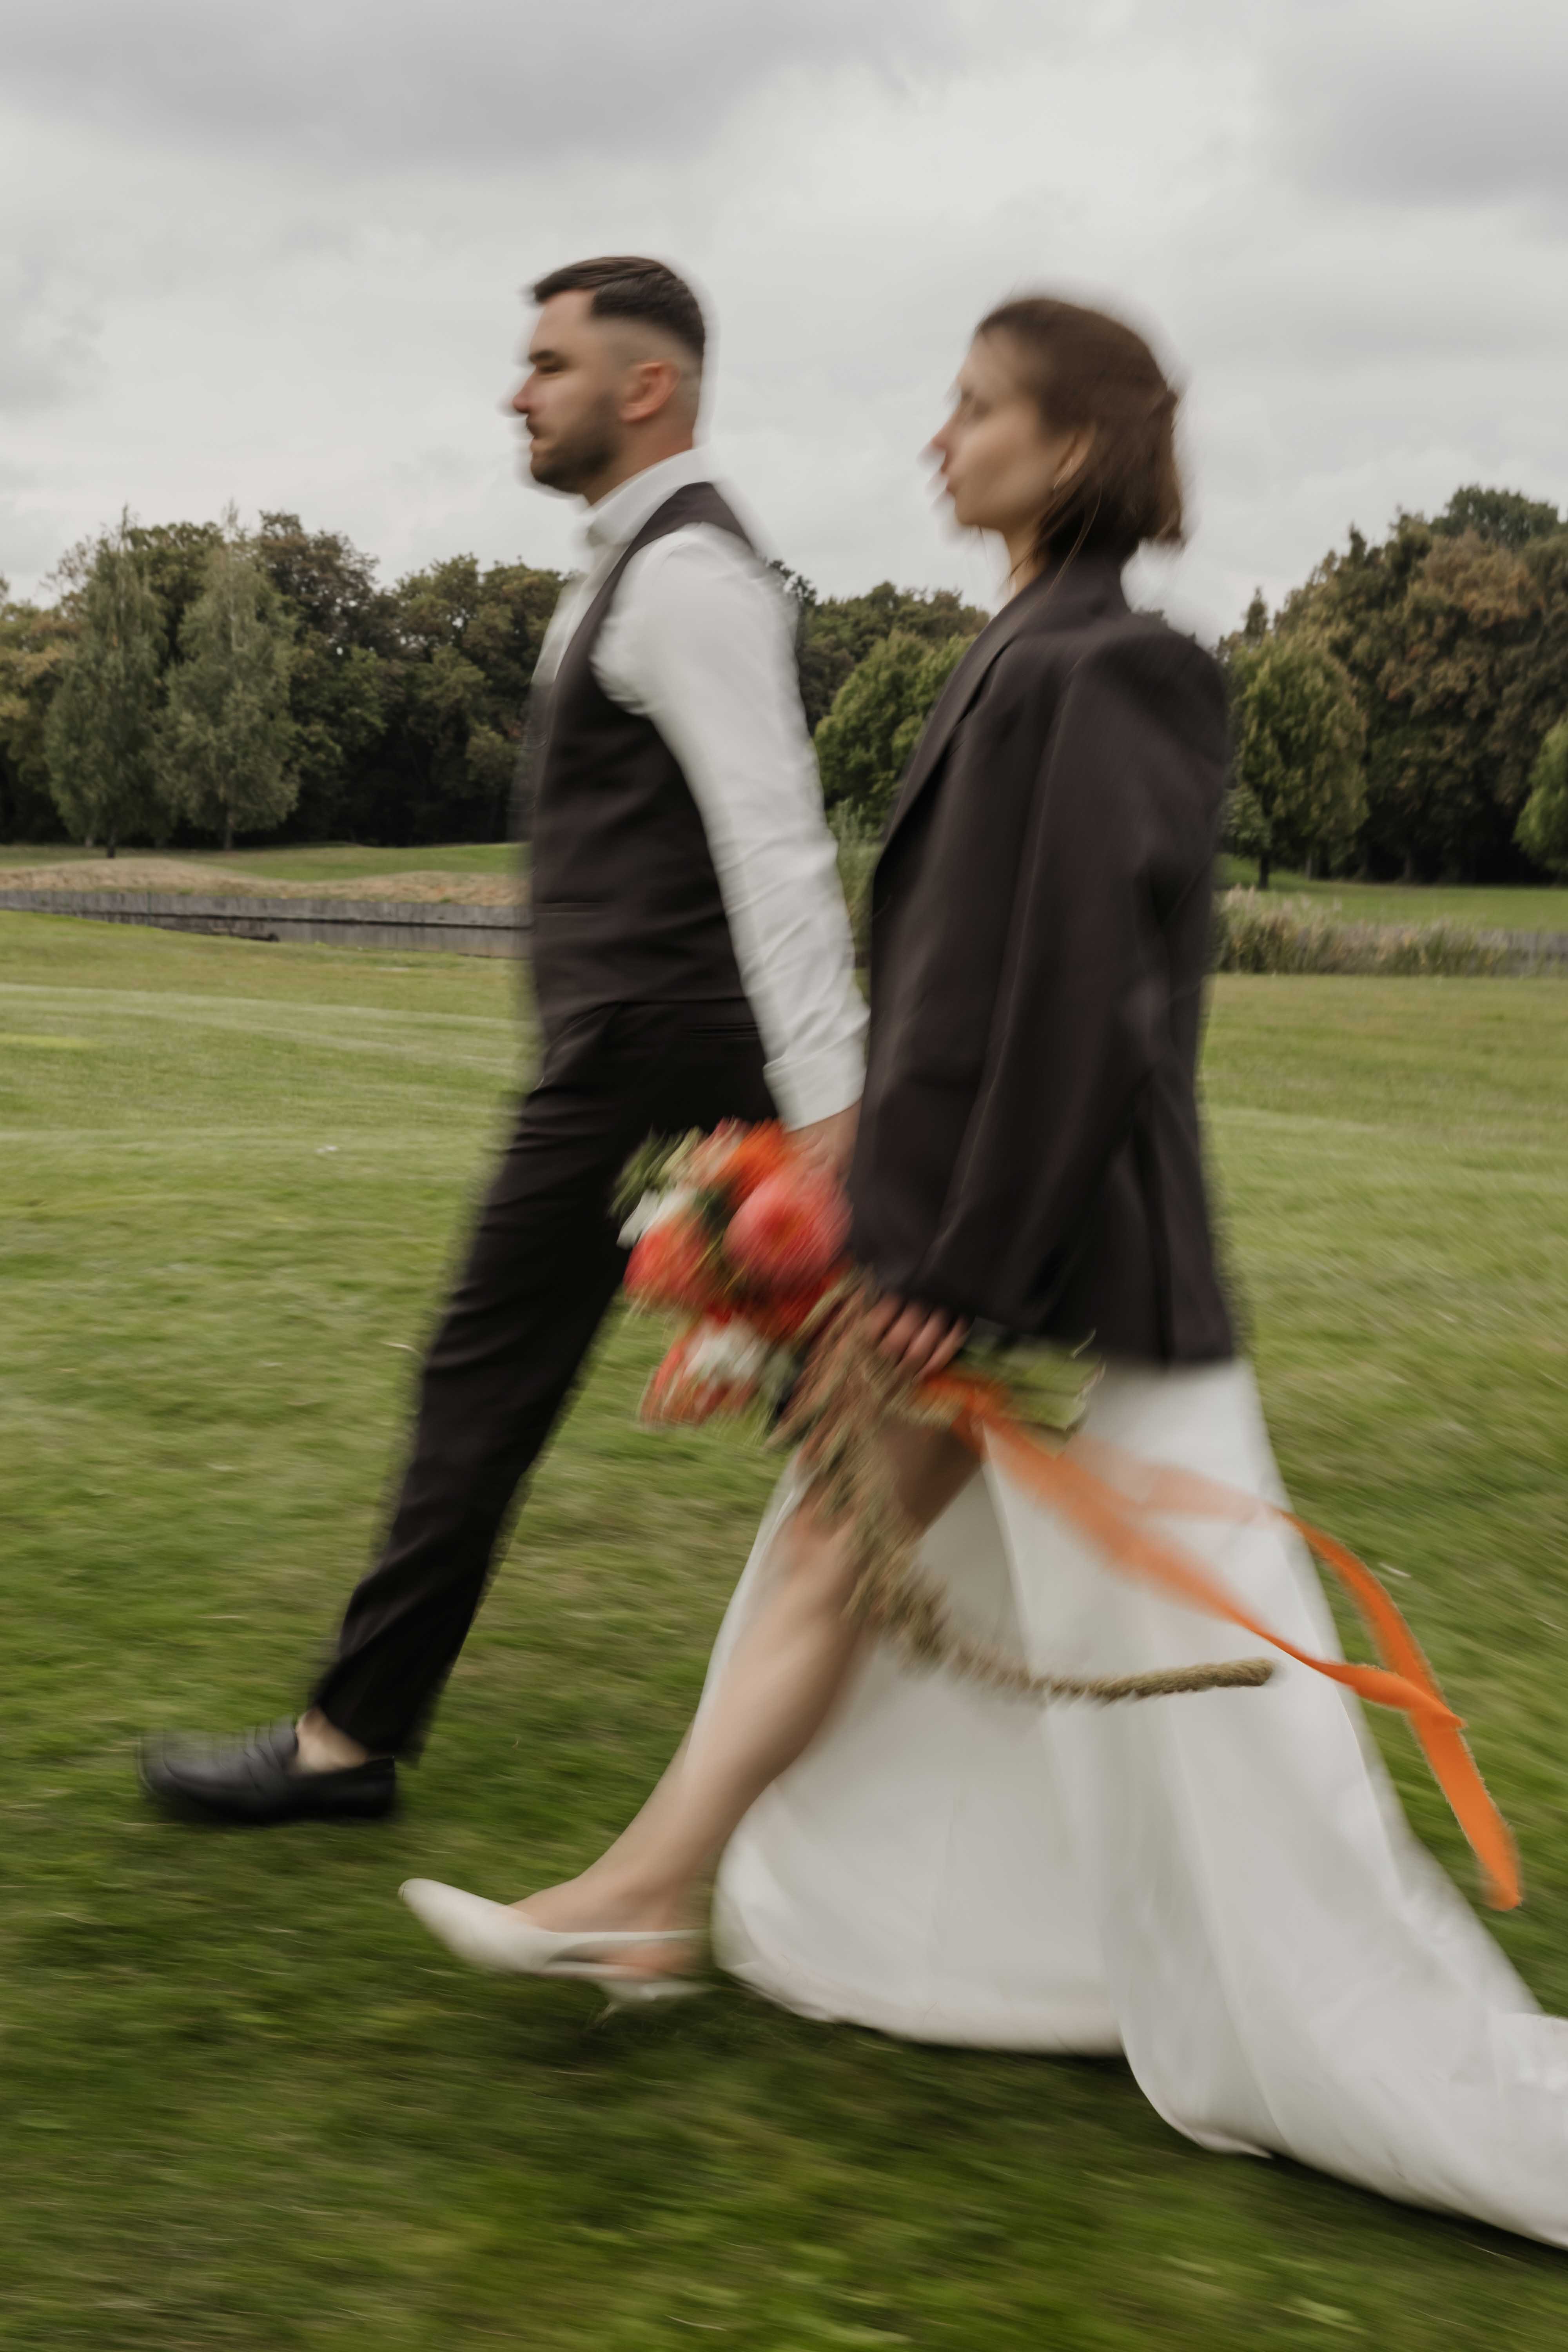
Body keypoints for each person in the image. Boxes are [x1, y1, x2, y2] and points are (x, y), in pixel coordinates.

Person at [403, 293, 1568, 2250]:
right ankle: (654, 1898)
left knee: (1111, 1669)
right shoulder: (1016, 651)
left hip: (1062, 1268)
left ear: (1074, 445)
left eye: (974, 408)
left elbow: (1085, 1012)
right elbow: (960, 1003)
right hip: (964, 1236)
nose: (937, 439)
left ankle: (648, 1902)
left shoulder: (1123, 669)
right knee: (833, 1555)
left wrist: (956, 1267)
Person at [142, 256, 866, 1824]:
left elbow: (779, 847)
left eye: (548, 365)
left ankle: (348, 1745)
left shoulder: (687, 577)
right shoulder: (628, 569)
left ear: (646, 387)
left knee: (492, 1377)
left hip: (658, 1062)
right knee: (851, 1397)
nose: (515, 394)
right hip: (650, 1051)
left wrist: (829, 1113)